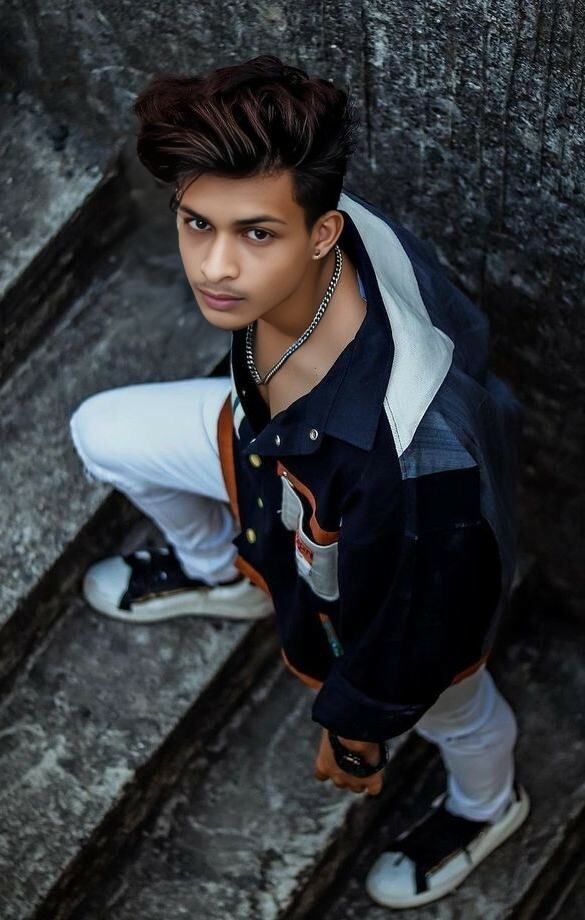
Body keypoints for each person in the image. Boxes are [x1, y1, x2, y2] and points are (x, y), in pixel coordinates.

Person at [69, 55, 530, 908]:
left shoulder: (415, 468)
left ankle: (488, 807)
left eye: (255, 234)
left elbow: (414, 636)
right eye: (196, 224)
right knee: (102, 432)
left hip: (400, 543)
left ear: (321, 234)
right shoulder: (322, 227)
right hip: (275, 458)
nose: (214, 267)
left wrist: (354, 734)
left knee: (457, 711)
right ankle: (220, 572)